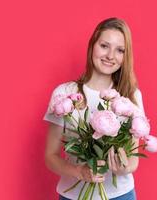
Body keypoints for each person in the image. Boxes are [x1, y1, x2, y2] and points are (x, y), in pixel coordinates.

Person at [43, 17, 145, 200]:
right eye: (104, 46)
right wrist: (78, 171)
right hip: (73, 195)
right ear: (92, 46)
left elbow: (133, 160)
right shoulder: (65, 94)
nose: (110, 56)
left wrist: (124, 167)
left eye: (120, 50)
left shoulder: (130, 95)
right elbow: (50, 156)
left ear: (125, 55)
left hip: (121, 195)